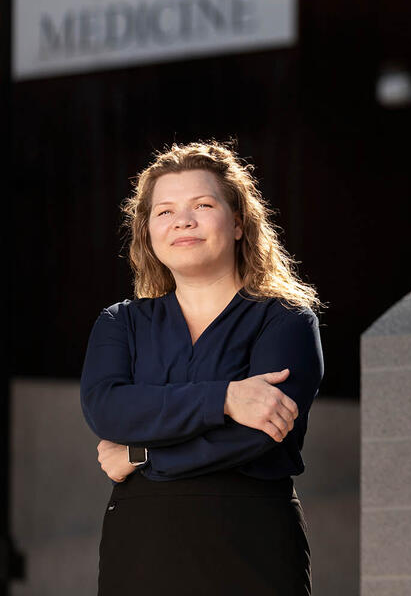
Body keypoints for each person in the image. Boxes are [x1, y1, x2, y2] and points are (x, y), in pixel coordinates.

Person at [80, 140, 324, 596]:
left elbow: (258, 435)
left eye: (203, 205)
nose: (183, 221)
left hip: (251, 545)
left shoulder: (286, 320)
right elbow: (108, 411)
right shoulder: (120, 323)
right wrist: (226, 398)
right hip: (141, 545)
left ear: (238, 222)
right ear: (147, 232)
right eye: (165, 211)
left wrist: (142, 454)